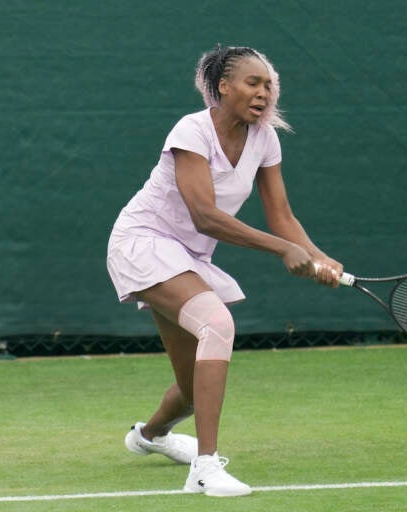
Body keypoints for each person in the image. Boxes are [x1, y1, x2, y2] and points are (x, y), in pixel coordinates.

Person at [106, 45, 342, 498]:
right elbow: (204, 216)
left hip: (188, 258)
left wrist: (315, 255)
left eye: (269, 85)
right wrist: (282, 250)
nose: (264, 92)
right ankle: (204, 468)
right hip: (144, 242)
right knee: (218, 324)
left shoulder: (265, 138)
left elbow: (282, 214)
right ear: (223, 88)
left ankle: (148, 436)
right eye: (253, 83)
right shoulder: (192, 130)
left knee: (194, 390)